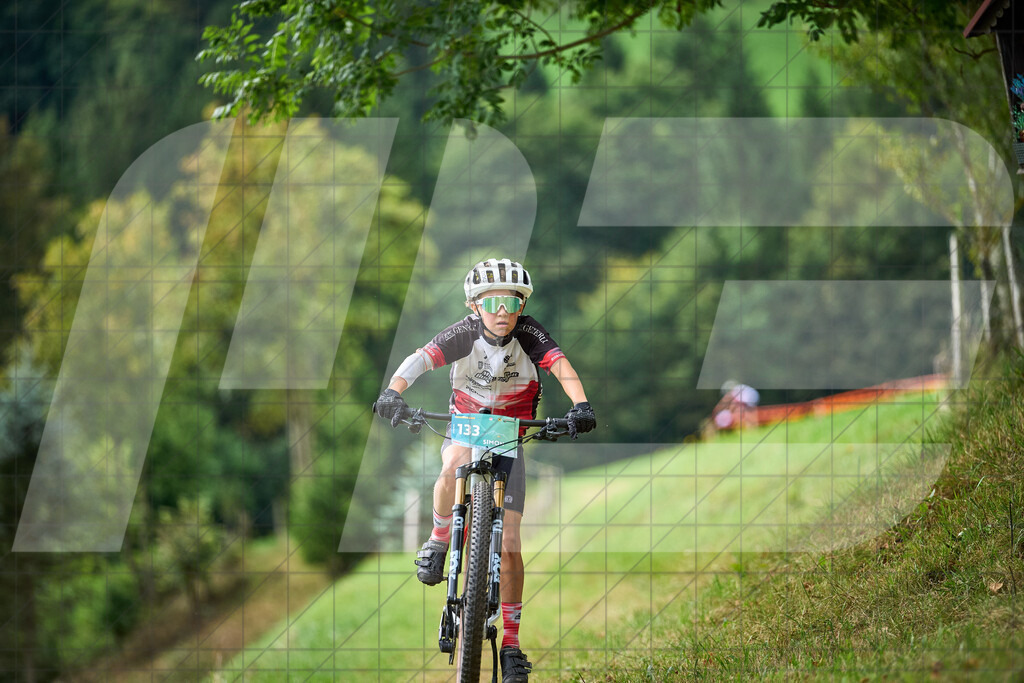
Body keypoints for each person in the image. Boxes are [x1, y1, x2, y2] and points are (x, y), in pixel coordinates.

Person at [374, 258, 596, 682]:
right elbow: (421, 359)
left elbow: (560, 365)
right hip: (466, 424)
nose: (502, 312)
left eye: (512, 303)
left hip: (510, 433)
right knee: (451, 465)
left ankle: (511, 643)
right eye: (492, 303)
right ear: (474, 305)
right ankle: (439, 540)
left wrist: (581, 405)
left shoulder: (529, 334)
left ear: (522, 306)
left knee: (510, 543)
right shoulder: (464, 333)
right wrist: (392, 391)